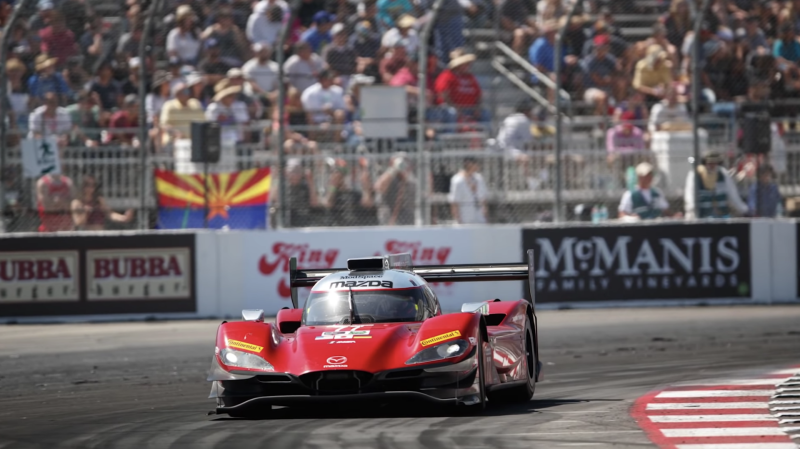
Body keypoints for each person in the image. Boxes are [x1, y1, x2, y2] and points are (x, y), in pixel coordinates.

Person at [684, 151, 748, 219]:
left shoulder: (723, 174)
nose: (712, 165)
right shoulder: (695, 175)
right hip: (702, 217)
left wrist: (744, 210)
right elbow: (689, 194)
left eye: (714, 163)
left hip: (722, 216)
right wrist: (691, 210)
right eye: (709, 163)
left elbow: (733, 194)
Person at [159, 81, 206, 147]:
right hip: (174, 142)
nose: (188, 93)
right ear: (177, 94)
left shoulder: (196, 103)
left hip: (195, 142)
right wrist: (176, 133)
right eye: (184, 91)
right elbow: (164, 125)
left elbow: (204, 122)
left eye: (188, 91)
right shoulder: (169, 105)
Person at [374, 153, 416, 225]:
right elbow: (379, 187)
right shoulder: (388, 177)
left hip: (406, 220)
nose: (403, 165)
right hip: (387, 219)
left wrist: (402, 171)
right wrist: (393, 169)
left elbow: (407, 180)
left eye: (405, 162)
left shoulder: (412, 180)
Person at [448, 157, 488, 224]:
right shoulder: (458, 180)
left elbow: (483, 200)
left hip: (479, 219)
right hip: (465, 220)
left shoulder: (479, 178)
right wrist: (458, 220)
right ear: (469, 164)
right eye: (474, 163)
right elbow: (454, 202)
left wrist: (485, 217)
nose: (477, 166)